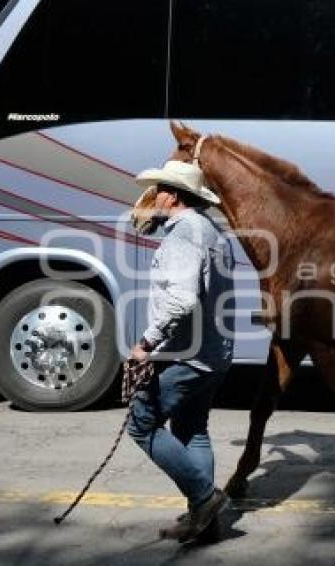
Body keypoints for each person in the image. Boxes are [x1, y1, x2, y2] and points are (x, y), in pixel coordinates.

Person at [127, 160, 235, 543]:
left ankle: (205, 500)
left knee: (141, 424)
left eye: (157, 190)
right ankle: (204, 524)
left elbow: (182, 300)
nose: (152, 198)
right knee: (192, 429)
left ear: (171, 195)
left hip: (187, 356)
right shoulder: (211, 230)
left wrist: (146, 343)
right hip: (214, 353)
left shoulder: (184, 234)